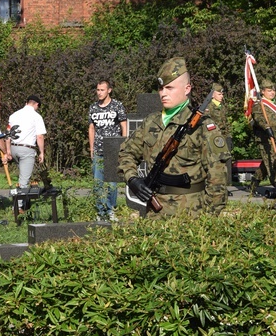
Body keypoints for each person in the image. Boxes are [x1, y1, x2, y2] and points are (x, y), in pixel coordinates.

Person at [118, 57, 230, 217]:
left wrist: (209, 218)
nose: (163, 93)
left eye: (169, 88)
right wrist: (133, 180)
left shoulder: (203, 126)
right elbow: (126, 154)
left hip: (191, 213)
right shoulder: (150, 122)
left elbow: (217, 177)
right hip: (154, 213)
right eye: (161, 88)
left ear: (187, 89)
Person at [88, 80, 127, 221]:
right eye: (97, 90)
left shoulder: (117, 105)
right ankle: (100, 211)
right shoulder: (93, 107)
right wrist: (91, 148)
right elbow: (91, 128)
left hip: (113, 149)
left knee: (111, 184)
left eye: (102, 90)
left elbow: (124, 126)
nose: (99, 92)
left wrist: (123, 145)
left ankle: (111, 210)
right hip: (98, 149)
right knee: (98, 183)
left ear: (109, 90)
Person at [249, 79, 276, 198]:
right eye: (269, 91)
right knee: (272, 161)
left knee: (267, 162)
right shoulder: (259, 105)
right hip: (266, 138)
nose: (272, 93)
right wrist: (266, 127)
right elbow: (258, 118)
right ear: (263, 92)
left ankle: (253, 184)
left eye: (273, 90)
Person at [7, 95, 47, 189]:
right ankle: (19, 203)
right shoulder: (36, 117)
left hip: (14, 148)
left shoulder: (13, 115)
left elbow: (8, 134)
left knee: (22, 176)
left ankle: (23, 201)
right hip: (27, 149)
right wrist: (41, 152)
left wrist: (8, 150)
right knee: (24, 182)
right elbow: (40, 136)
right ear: (36, 104)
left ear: (26, 103)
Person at [207, 83, 233, 193]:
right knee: (216, 164)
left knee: (225, 163)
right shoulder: (208, 108)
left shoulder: (222, 107)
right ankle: (216, 187)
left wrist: (229, 137)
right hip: (214, 140)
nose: (221, 96)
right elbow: (208, 126)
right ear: (213, 94)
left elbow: (226, 124)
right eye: (219, 93)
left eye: (222, 94)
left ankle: (224, 187)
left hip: (223, 138)